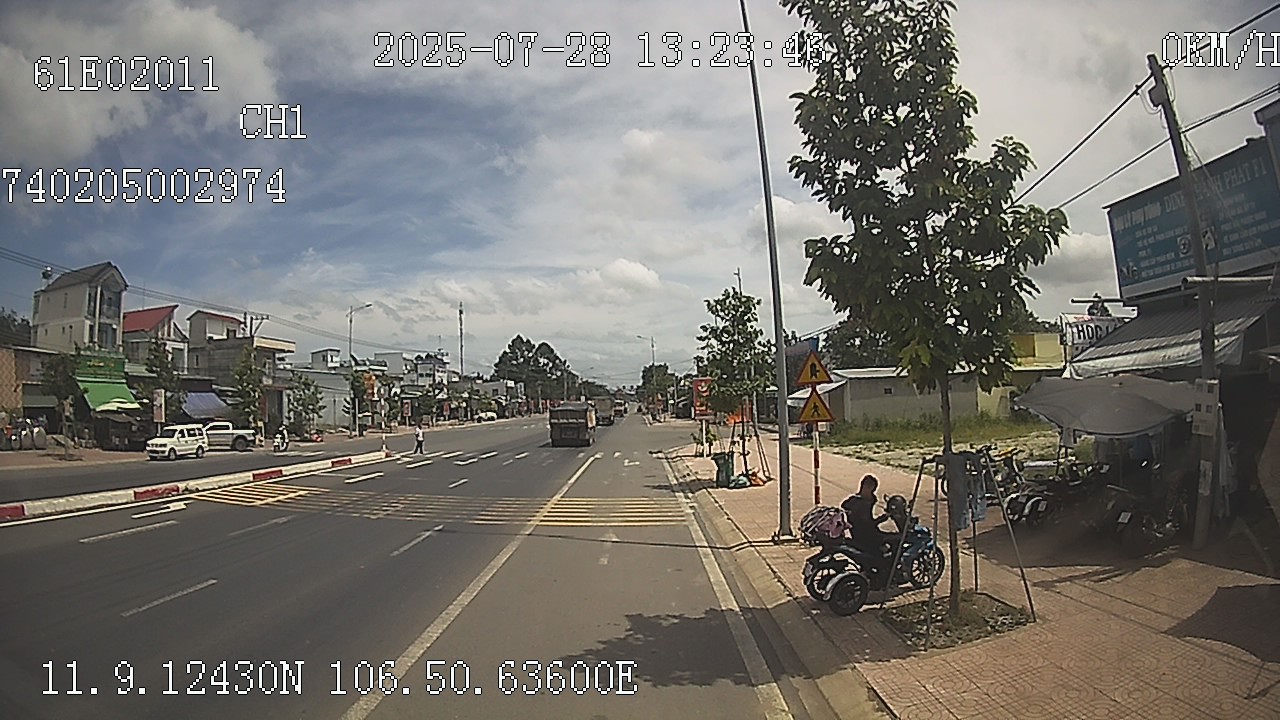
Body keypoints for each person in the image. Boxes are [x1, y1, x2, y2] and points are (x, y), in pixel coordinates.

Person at [841, 475, 900, 579]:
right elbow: (868, 524)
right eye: (871, 489)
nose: (872, 493)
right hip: (868, 536)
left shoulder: (852, 501)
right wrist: (883, 518)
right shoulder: (863, 503)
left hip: (859, 534)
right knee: (897, 539)